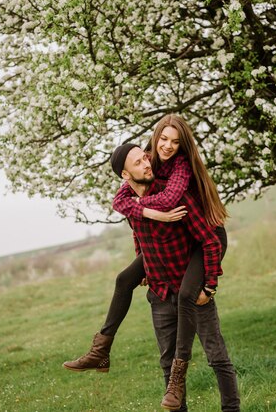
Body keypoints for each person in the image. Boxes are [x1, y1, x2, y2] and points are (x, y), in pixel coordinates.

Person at [63, 115, 238, 410]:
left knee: (214, 353)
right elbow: (131, 221)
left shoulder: (178, 175)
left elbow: (177, 207)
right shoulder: (139, 177)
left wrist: (209, 285)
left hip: (204, 236)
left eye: (175, 141)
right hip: (160, 283)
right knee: (123, 280)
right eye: (162, 141)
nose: (166, 147)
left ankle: (200, 387)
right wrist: (146, 217)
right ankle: (100, 349)